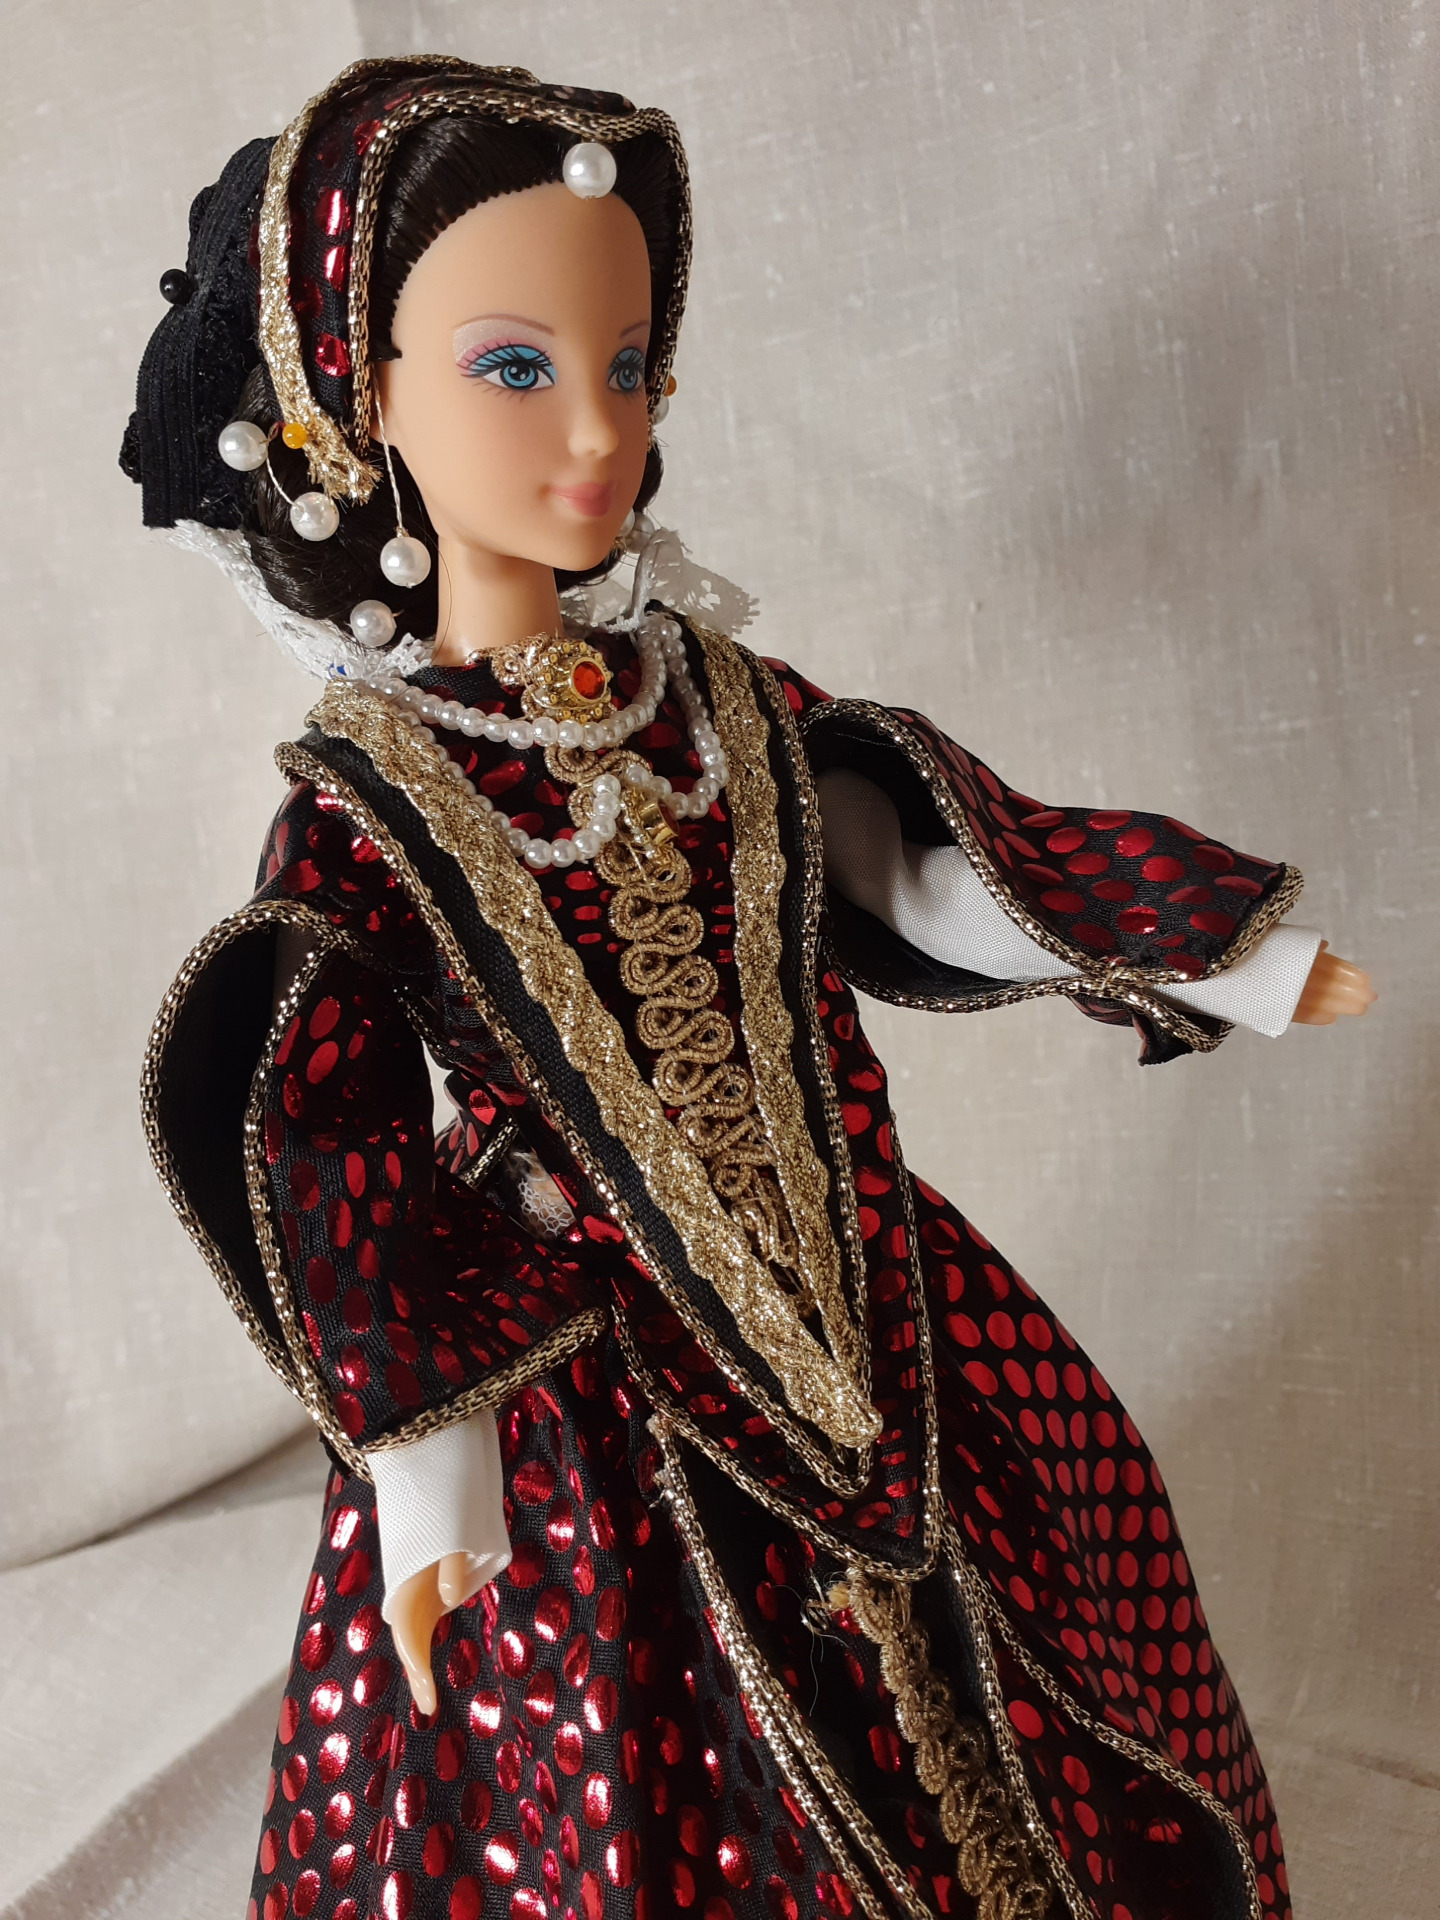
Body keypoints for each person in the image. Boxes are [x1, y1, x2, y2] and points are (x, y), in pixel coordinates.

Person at [123, 56, 1372, 1920]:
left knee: (1036, 1631)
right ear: (358, 396)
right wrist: (431, 1469)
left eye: (631, 366)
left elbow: (911, 873)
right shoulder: (372, 801)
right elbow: (335, 1147)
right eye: (515, 366)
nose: (596, 431)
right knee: (626, 1779)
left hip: (875, 1299)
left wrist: (1204, 946)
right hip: (588, 1387)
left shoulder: (712, 699)